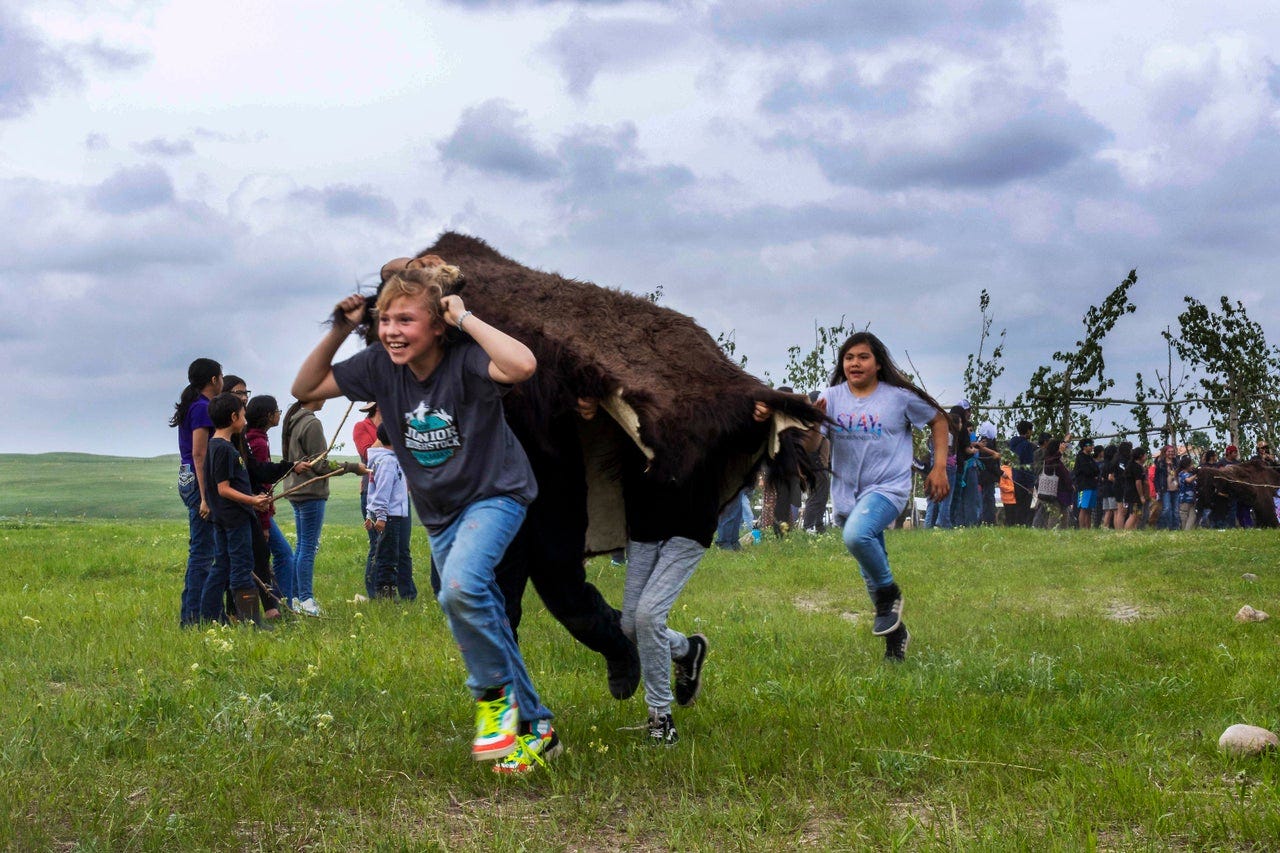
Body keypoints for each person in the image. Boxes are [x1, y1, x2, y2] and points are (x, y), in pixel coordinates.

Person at [292, 256, 560, 775]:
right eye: (385, 320)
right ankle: (538, 728)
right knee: (485, 612)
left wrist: (466, 319)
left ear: (437, 324)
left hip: (495, 494)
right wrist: (340, 329)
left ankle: (493, 703)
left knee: (459, 589)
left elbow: (523, 365)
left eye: (406, 320)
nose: (392, 331)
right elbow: (305, 390)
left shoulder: (465, 360)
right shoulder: (378, 368)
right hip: (439, 512)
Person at [814, 332, 950, 661]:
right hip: (847, 494)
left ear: (877, 363)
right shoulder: (830, 398)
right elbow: (811, 446)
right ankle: (895, 636)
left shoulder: (898, 397)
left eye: (862, 357)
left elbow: (939, 419)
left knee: (857, 536)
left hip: (888, 488)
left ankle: (891, 594)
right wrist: (811, 422)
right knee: (870, 569)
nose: (855, 363)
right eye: (849, 358)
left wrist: (940, 467)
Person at [280, 398, 366, 616]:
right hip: (310, 492)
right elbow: (320, 465)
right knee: (308, 547)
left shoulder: (294, 419)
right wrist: (352, 467)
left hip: (295, 490)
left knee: (301, 546)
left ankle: (298, 598)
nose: (326, 398)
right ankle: (307, 601)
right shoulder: (312, 423)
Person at [199, 392, 272, 627]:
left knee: (222, 565)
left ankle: (210, 617)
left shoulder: (220, 446)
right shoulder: (223, 449)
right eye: (243, 415)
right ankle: (252, 623)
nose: (246, 421)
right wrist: (252, 501)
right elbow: (223, 489)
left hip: (227, 517)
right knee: (241, 567)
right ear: (233, 417)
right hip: (234, 519)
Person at [170, 357, 222, 627]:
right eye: (221, 376)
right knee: (202, 553)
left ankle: (199, 615)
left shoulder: (195, 405)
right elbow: (199, 454)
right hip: (197, 479)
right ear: (214, 380)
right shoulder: (202, 408)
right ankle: (191, 620)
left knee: (203, 550)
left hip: (187, 476)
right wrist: (205, 497)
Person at [244, 395, 304, 615]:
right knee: (284, 554)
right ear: (268, 415)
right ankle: (282, 602)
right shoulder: (257, 442)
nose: (279, 413)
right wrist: (265, 520)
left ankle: (275, 602)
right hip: (258, 510)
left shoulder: (255, 437)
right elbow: (259, 478)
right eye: (276, 410)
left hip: (263, 508)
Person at [364, 423, 417, 601]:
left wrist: (369, 513)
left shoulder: (386, 459)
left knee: (389, 553)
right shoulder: (387, 461)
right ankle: (385, 595)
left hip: (391, 515)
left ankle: (388, 593)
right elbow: (382, 492)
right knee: (388, 556)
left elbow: (373, 489)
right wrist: (380, 516)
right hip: (390, 516)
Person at [1008, 421, 1036, 526]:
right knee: (1025, 507)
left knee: (1018, 505)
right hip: (1024, 480)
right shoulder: (1027, 446)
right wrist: (1030, 484)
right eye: (1031, 430)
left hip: (1015, 477)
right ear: (1028, 431)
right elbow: (1028, 465)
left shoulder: (1013, 444)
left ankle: (1017, 525)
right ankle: (1023, 526)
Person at [1073, 437, 1098, 529]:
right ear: (1084, 447)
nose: (1092, 447)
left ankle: (1088, 528)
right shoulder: (1080, 457)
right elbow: (1086, 470)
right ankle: (1081, 528)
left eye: (1092, 445)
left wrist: (1093, 472)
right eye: (1090, 445)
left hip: (1092, 486)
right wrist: (1092, 472)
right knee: (1083, 508)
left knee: (1089, 509)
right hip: (1084, 486)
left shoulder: (1090, 458)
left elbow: (1097, 470)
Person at [1177, 457, 1198, 530]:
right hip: (1184, 499)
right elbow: (1188, 480)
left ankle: (1187, 531)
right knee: (1184, 516)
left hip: (1191, 500)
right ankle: (1184, 531)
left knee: (1193, 516)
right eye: (1191, 464)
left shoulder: (1190, 474)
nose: (1192, 466)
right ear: (1186, 465)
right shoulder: (1182, 474)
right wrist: (1196, 475)